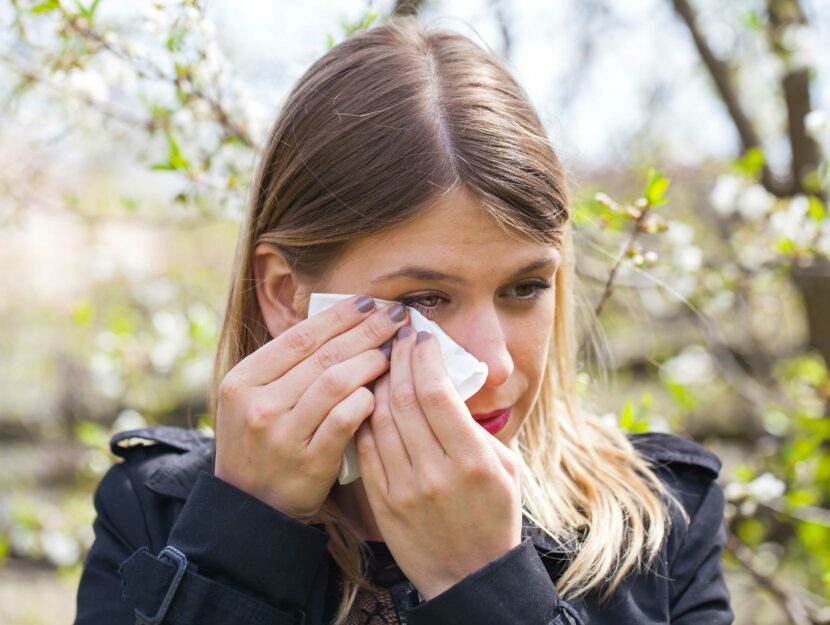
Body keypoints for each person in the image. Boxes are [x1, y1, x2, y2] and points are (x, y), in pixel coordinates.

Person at [73, 14, 734, 625]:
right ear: (283, 292)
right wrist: (244, 539)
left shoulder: (660, 524)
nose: (497, 364)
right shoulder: (157, 516)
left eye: (525, 287)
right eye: (425, 299)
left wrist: (486, 583)